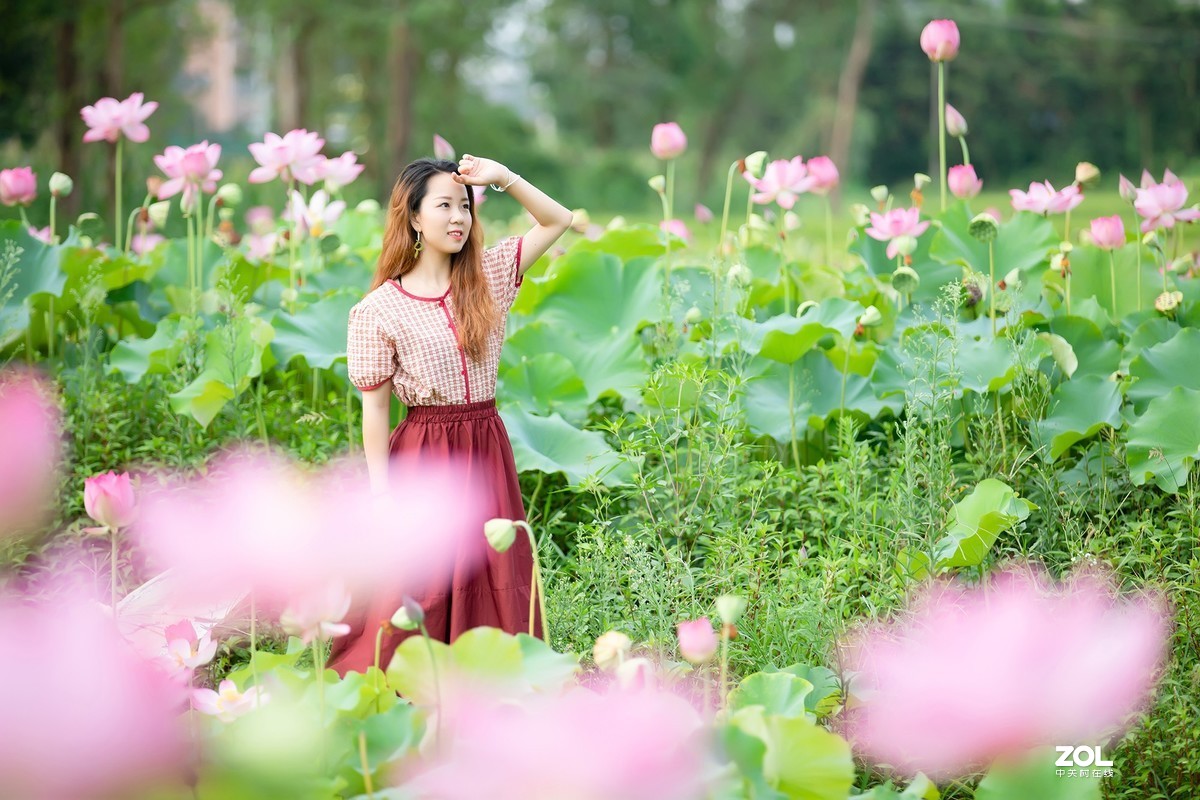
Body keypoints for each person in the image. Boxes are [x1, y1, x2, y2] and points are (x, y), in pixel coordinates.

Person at [330, 155, 572, 676]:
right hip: (424, 449)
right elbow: (375, 411)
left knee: (493, 568)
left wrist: (504, 177)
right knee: (424, 576)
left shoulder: (488, 276)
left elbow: (557, 220)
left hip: (485, 440)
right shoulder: (377, 310)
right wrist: (379, 493)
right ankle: (413, 679)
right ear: (414, 218)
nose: (458, 217)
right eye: (444, 206)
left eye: (464, 206)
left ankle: (493, 675)